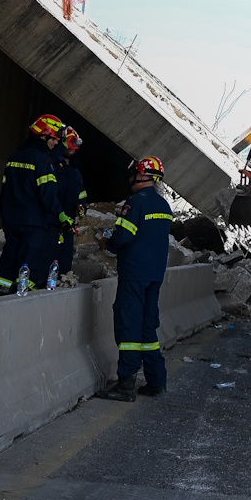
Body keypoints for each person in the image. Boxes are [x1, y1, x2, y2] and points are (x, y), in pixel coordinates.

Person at [95, 157, 173, 401]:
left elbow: (124, 237)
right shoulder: (164, 206)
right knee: (147, 327)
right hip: (155, 274)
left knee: (129, 325)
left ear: (140, 175)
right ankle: (156, 382)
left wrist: (108, 243)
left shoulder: (135, 203)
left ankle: (126, 385)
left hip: (134, 274)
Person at [0, 115, 71, 296]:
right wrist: (62, 216)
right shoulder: (43, 161)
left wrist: (5, 219)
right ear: (43, 136)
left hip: (12, 221)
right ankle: (21, 299)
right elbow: (48, 195)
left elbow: (3, 194)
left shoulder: (13, 158)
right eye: (53, 139)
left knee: (8, 262)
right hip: (34, 224)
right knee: (29, 266)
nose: (55, 143)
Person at [53, 126, 87, 276]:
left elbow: (82, 194)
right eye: (71, 142)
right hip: (50, 224)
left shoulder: (75, 172)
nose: (74, 148)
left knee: (64, 266)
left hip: (68, 226)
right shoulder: (51, 166)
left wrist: (82, 207)